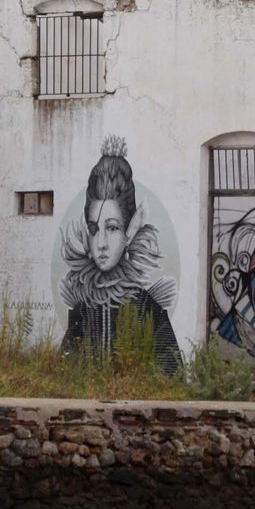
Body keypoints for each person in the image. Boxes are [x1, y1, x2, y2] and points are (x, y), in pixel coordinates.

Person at [59, 136, 182, 374]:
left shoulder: (150, 311)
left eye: (112, 228)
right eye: (94, 229)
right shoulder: (82, 311)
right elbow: (63, 374)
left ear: (130, 231)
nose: (101, 243)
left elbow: (171, 377)